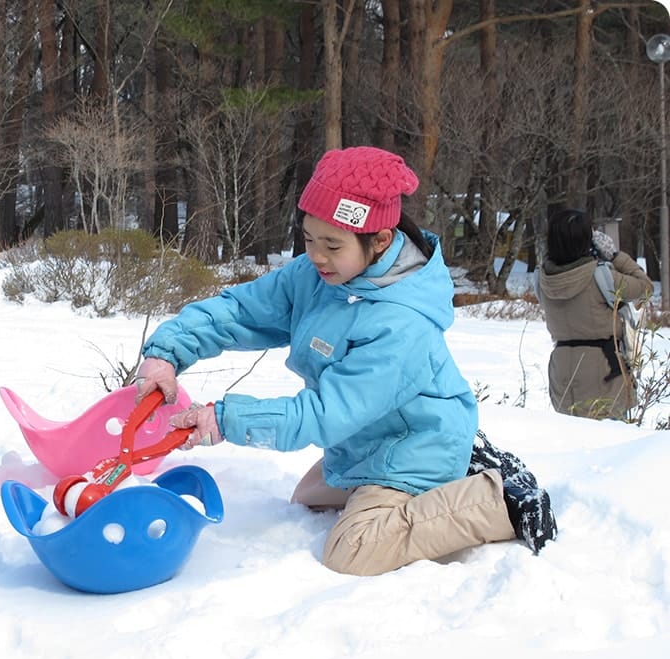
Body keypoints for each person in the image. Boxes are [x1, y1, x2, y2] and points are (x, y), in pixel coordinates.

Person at [133, 146, 557, 576]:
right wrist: (167, 354)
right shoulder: (319, 274)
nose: (317, 255)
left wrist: (226, 420)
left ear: (380, 240)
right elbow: (241, 311)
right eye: (309, 239)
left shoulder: (401, 322)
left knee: (353, 549)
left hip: (413, 445)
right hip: (364, 440)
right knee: (307, 500)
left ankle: (497, 500)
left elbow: (328, 413)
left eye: (332, 244)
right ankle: (459, 469)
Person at [537, 209, 653, 420]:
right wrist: (615, 255)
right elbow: (645, 287)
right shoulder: (601, 276)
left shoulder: (543, 279)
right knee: (610, 437)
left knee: (571, 435)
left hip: (562, 372)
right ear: (586, 240)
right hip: (604, 372)